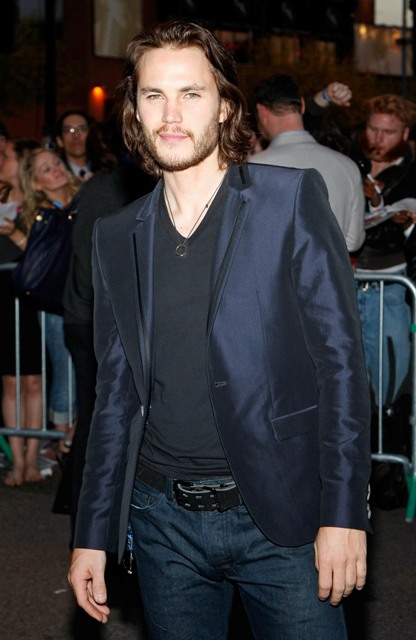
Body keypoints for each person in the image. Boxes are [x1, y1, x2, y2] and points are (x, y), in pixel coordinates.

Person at [68, 20, 371, 639]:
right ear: (135, 110)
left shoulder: (287, 200)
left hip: (282, 515)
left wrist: (344, 512)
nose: (171, 114)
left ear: (226, 104)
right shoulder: (117, 235)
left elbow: (341, 366)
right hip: (161, 522)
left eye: (191, 93)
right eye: (154, 95)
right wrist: (92, 533)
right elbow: (115, 397)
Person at [56, 119, 154, 531]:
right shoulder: (115, 189)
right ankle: (90, 523)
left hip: (87, 314)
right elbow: (100, 263)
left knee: (98, 415)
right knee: (102, 418)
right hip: (94, 317)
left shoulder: (104, 186)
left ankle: (85, 513)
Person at [350, 93, 416, 408]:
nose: (378, 138)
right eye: (373, 128)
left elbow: (394, 234)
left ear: (405, 133)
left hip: (390, 285)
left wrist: (380, 206)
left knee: (389, 375)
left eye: (388, 132)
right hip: (348, 281)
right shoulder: (351, 160)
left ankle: (388, 429)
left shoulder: (411, 174)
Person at [250, 73, 365, 252]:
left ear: (261, 111)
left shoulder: (256, 168)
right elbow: (352, 242)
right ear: (302, 105)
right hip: (330, 269)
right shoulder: (347, 165)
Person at [18, 148, 79, 457]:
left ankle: (76, 434)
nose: (56, 169)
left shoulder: (86, 198)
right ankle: (62, 439)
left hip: (88, 298)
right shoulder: (40, 215)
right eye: (46, 169)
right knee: (65, 368)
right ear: (36, 183)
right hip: (55, 305)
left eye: (56, 162)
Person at [0, 137, 43, 485]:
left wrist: (13, 231)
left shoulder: (36, 204)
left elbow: (44, 254)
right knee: (10, 381)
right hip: (3, 296)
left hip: (32, 298)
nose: (1, 160)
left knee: (33, 381)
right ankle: (16, 461)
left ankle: (32, 458)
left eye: (6, 155)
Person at [55, 110, 94, 181]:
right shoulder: (56, 176)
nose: (76, 135)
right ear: (60, 141)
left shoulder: (107, 172)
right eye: (69, 130)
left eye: (82, 129)